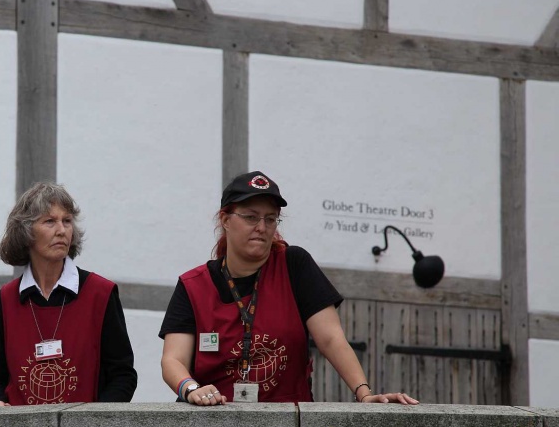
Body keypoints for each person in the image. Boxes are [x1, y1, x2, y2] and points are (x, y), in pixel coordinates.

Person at [159, 171, 419, 406]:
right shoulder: (193, 285)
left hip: (289, 425)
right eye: (250, 217)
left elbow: (330, 338)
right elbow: (173, 360)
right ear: (226, 220)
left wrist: (363, 393)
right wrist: (192, 389)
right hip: (213, 422)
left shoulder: (294, 265)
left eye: (270, 219)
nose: (261, 227)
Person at [0, 182, 137, 405]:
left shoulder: (100, 293)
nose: (62, 230)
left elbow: (123, 376)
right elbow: (0, 377)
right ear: (26, 232)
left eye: (67, 221)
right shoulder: (6, 299)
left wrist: (95, 424)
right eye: (50, 221)